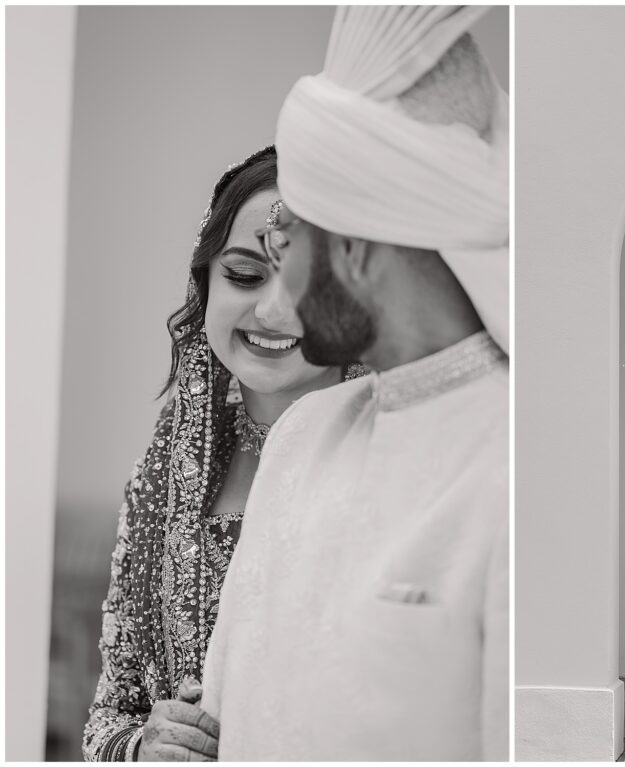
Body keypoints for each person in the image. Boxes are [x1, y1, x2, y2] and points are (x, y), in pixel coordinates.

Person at [198, 7, 509, 761]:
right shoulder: (302, 432)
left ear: (359, 249)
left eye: (290, 237)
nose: (279, 290)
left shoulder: (514, 464)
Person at [82, 147, 364, 761]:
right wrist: (143, 746)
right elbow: (110, 714)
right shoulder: (165, 474)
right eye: (245, 275)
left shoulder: (402, 466)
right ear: (205, 279)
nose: (272, 310)